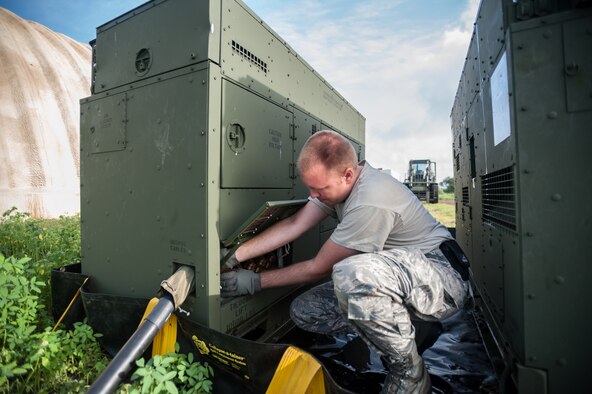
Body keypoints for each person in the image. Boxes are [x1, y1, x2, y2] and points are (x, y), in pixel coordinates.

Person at [221, 130, 470, 393]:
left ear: (348, 175)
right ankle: (410, 329)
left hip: (443, 279)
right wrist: (235, 255)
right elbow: (295, 223)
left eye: (319, 188)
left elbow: (319, 268)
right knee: (307, 310)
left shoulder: (370, 200)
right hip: (406, 278)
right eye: (310, 188)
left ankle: (410, 372)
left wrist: (254, 282)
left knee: (351, 275)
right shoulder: (340, 186)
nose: (313, 195)